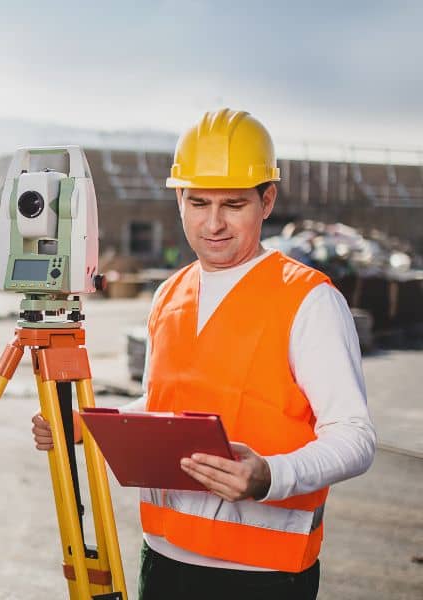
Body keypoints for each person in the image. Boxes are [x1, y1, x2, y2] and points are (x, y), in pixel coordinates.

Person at [31, 108, 375, 599]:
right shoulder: (169, 294)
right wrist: (86, 427)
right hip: (164, 559)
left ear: (267, 200)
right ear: (179, 199)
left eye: (233, 205)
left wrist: (270, 476)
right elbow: (163, 407)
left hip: (261, 578)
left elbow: (355, 436)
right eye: (198, 202)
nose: (213, 224)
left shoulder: (308, 299)